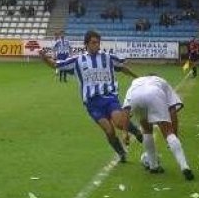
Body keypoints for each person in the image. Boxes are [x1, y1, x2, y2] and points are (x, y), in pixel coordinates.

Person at [39, 30, 142, 162]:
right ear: (86, 44)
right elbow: (56, 64)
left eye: (98, 42)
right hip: (92, 104)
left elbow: (122, 67)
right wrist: (44, 58)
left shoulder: (108, 58)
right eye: (94, 43)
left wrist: (138, 78)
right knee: (109, 131)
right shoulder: (77, 61)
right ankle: (121, 152)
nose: (97, 45)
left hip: (109, 98)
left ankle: (137, 132)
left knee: (120, 123)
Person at [122, 74, 194, 180]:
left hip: (135, 97)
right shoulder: (161, 81)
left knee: (146, 129)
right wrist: (174, 134)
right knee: (168, 131)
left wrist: (125, 132)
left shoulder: (136, 82)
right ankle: (184, 166)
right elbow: (173, 109)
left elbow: (126, 110)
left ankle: (153, 166)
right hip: (154, 94)